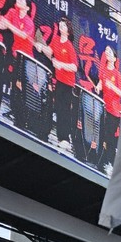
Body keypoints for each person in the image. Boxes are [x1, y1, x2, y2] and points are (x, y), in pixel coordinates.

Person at [42, 17, 78, 151]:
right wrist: (41, 46)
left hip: (67, 83)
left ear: (68, 31)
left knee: (64, 111)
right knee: (56, 107)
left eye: (64, 26)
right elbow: (49, 52)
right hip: (58, 81)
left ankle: (65, 139)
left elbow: (74, 67)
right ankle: (57, 136)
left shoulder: (69, 46)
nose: (61, 27)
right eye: (60, 25)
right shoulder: (56, 40)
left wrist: (61, 65)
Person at [95, 45, 121, 176]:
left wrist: (112, 86)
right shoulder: (103, 70)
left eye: (109, 51)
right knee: (102, 135)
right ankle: (101, 161)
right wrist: (98, 87)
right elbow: (101, 82)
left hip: (114, 111)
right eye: (106, 51)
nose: (107, 53)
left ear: (115, 57)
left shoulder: (117, 74)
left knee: (110, 139)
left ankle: (110, 164)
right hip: (104, 108)